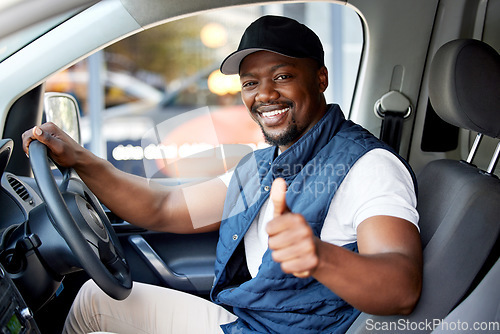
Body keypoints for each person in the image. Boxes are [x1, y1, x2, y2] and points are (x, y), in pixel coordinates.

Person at [22, 15, 422, 334]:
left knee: (95, 302)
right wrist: (79, 158)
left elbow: (402, 287)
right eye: (251, 83)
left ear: (320, 79)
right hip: (249, 320)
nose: (264, 95)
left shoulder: (368, 165)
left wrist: (319, 257)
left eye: (282, 76)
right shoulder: (263, 164)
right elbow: (164, 206)